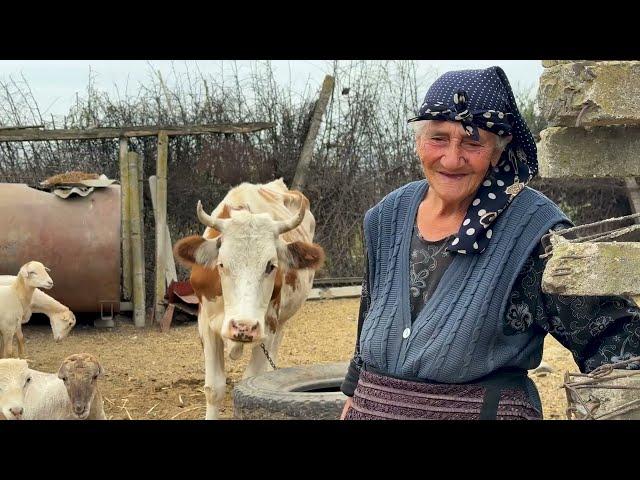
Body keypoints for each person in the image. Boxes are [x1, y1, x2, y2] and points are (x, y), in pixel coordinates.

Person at [339, 66, 640, 420]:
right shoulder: (387, 216)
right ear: (418, 140)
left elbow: (616, 337)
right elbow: (372, 317)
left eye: (472, 142)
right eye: (438, 137)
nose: (452, 158)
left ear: (498, 151)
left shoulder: (533, 231)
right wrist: (354, 396)